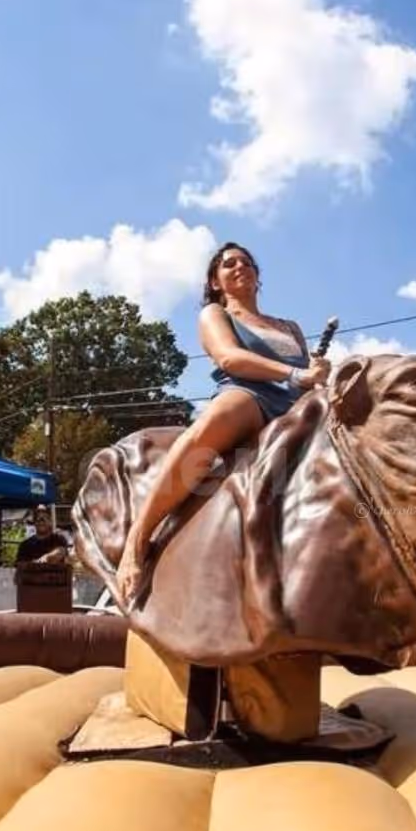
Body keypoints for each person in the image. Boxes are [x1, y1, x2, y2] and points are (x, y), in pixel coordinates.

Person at [113, 242, 330, 608]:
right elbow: (230, 358)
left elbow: (311, 378)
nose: (240, 266)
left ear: (258, 277)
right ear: (215, 281)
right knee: (219, 417)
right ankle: (139, 537)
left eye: (247, 262)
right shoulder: (215, 314)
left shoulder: (290, 327)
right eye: (229, 264)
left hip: (295, 407)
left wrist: (321, 374)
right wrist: (297, 374)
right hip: (247, 394)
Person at [15, 507, 69, 572]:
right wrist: (36, 565)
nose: (41, 521)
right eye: (38, 519)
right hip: (32, 580)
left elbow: (61, 552)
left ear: (50, 522)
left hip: (55, 579)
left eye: (45, 518)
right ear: (34, 523)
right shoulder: (24, 545)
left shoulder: (59, 539)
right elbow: (19, 566)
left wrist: (45, 559)